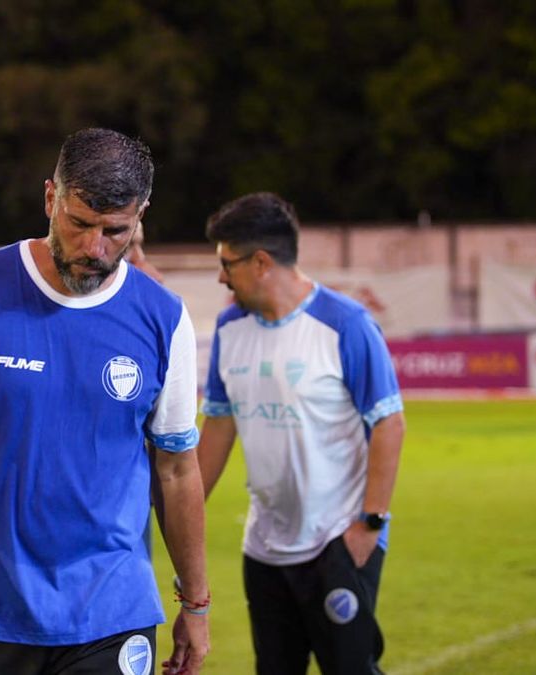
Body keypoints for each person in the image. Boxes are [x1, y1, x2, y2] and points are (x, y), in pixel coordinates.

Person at [0, 128, 210, 675]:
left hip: (112, 612)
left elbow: (175, 469)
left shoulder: (163, 319)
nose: (94, 249)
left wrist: (195, 602)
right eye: (79, 224)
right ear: (51, 199)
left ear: (140, 216)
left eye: (114, 231)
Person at [197, 192, 405, 674]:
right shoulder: (230, 329)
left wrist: (369, 525)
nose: (221, 276)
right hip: (264, 548)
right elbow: (219, 427)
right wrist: (175, 511)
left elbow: (389, 423)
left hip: (338, 541)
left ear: (261, 262)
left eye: (228, 263)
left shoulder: (345, 325)